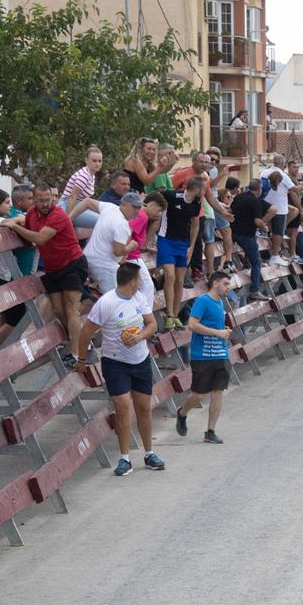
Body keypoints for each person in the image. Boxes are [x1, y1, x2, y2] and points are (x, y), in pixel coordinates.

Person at [73, 260, 164, 476]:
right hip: (115, 362)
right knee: (123, 408)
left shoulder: (139, 298)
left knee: (143, 407)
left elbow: (152, 324)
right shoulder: (106, 303)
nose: (142, 282)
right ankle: (125, 458)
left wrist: (140, 336)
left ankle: (149, 453)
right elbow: (86, 332)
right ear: (133, 281)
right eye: (139, 279)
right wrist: (82, 359)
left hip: (140, 359)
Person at [6, 181, 91, 363]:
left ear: (53, 199)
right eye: (40, 200)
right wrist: (15, 223)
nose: (45, 204)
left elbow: (40, 238)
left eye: (48, 200)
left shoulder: (58, 214)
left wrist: (14, 226)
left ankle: (76, 354)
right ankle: (81, 340)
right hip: (53, 268)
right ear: (34, 200)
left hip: (72, 264)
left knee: (71, 309)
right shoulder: (31, 213)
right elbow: (29, 234)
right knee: (57, 310)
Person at [173, 268, 232, 444]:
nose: (228, 287)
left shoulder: (220, 302)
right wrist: (218, 333)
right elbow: (191, 325)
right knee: (198, 395)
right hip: (202, 355)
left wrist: (224, 333)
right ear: (215, 283)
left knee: (217, 392)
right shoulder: (203, 301)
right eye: (225, 283)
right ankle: (182, 412)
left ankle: (210, 431)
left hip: (221, 353)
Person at [157, 176, 205, 333]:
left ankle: (175, 315)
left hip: (183, 244)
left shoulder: (197, 204)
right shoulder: (172, 195)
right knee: (169, 276)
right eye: (203, 189)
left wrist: (191, 246)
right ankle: (169, 315)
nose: (205, 192)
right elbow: (154, 198)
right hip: (166, 240)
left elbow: (195, 225)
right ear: (196, 189)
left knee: (179, 280)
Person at [226, 177, 266, 294]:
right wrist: (265, 227)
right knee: (256, 263)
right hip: (246, 235)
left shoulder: (239, 196)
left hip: (233, 233)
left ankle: (245, 264)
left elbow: (230, 211)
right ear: (259, 189)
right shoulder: (255, 202)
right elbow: (257, 222)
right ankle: (255, 290)